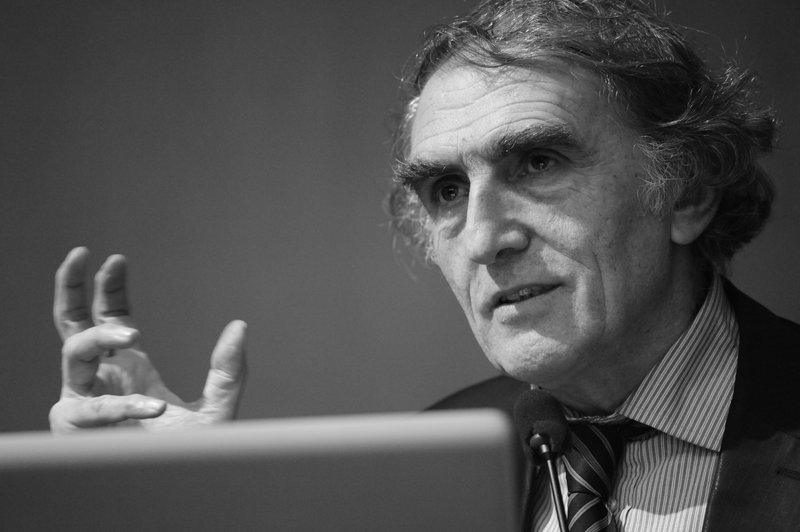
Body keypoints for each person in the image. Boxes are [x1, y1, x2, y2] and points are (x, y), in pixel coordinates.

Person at [49, 0, 800, 530]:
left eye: (539, 161)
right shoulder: (435, 463)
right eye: (446, 190)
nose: (484, 237)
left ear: (687, 192)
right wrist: (179, 504)